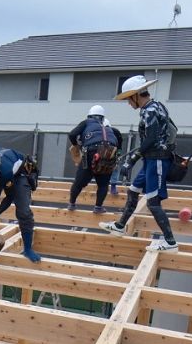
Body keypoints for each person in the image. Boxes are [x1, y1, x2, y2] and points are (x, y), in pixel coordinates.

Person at [99, 75, 179, 251]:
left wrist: (132, 160)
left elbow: (150, 139)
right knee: (133, 191)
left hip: (157, 160)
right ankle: (120, 226)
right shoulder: (154, 107)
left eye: (129, 99)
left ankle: (170, 242)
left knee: (153, 203)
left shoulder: (150, 110)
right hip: (150, 159)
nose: (129, 103)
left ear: (136, 95)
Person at [67, 105, 124, 212]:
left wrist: (77, 145)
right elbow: (119, 141)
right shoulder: (111, 130)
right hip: (108, 153)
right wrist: (119, 152)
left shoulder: (87, 123)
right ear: (103, 118)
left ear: (89, 116)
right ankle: (98, 207)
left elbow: (72, 134)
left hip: (91, 151)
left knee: (79, 182)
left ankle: (72, 204)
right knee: (103, 184)